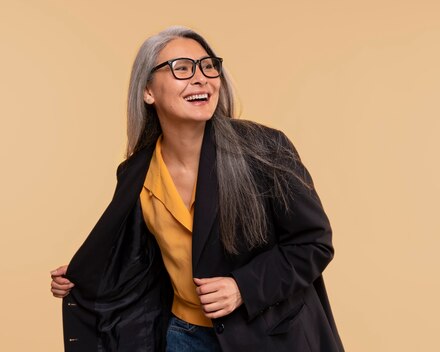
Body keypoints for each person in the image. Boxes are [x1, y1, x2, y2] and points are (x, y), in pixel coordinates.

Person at [50, 26, 343, 352]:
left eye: (208, 66)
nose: (201, 78)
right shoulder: (136, 173)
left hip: (271, 337)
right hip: (184, 338)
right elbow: (141, 261)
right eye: (182, 68)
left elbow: (313, 242)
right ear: (148, 90)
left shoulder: (264, 149)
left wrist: (242, 287)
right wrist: (86, 276)